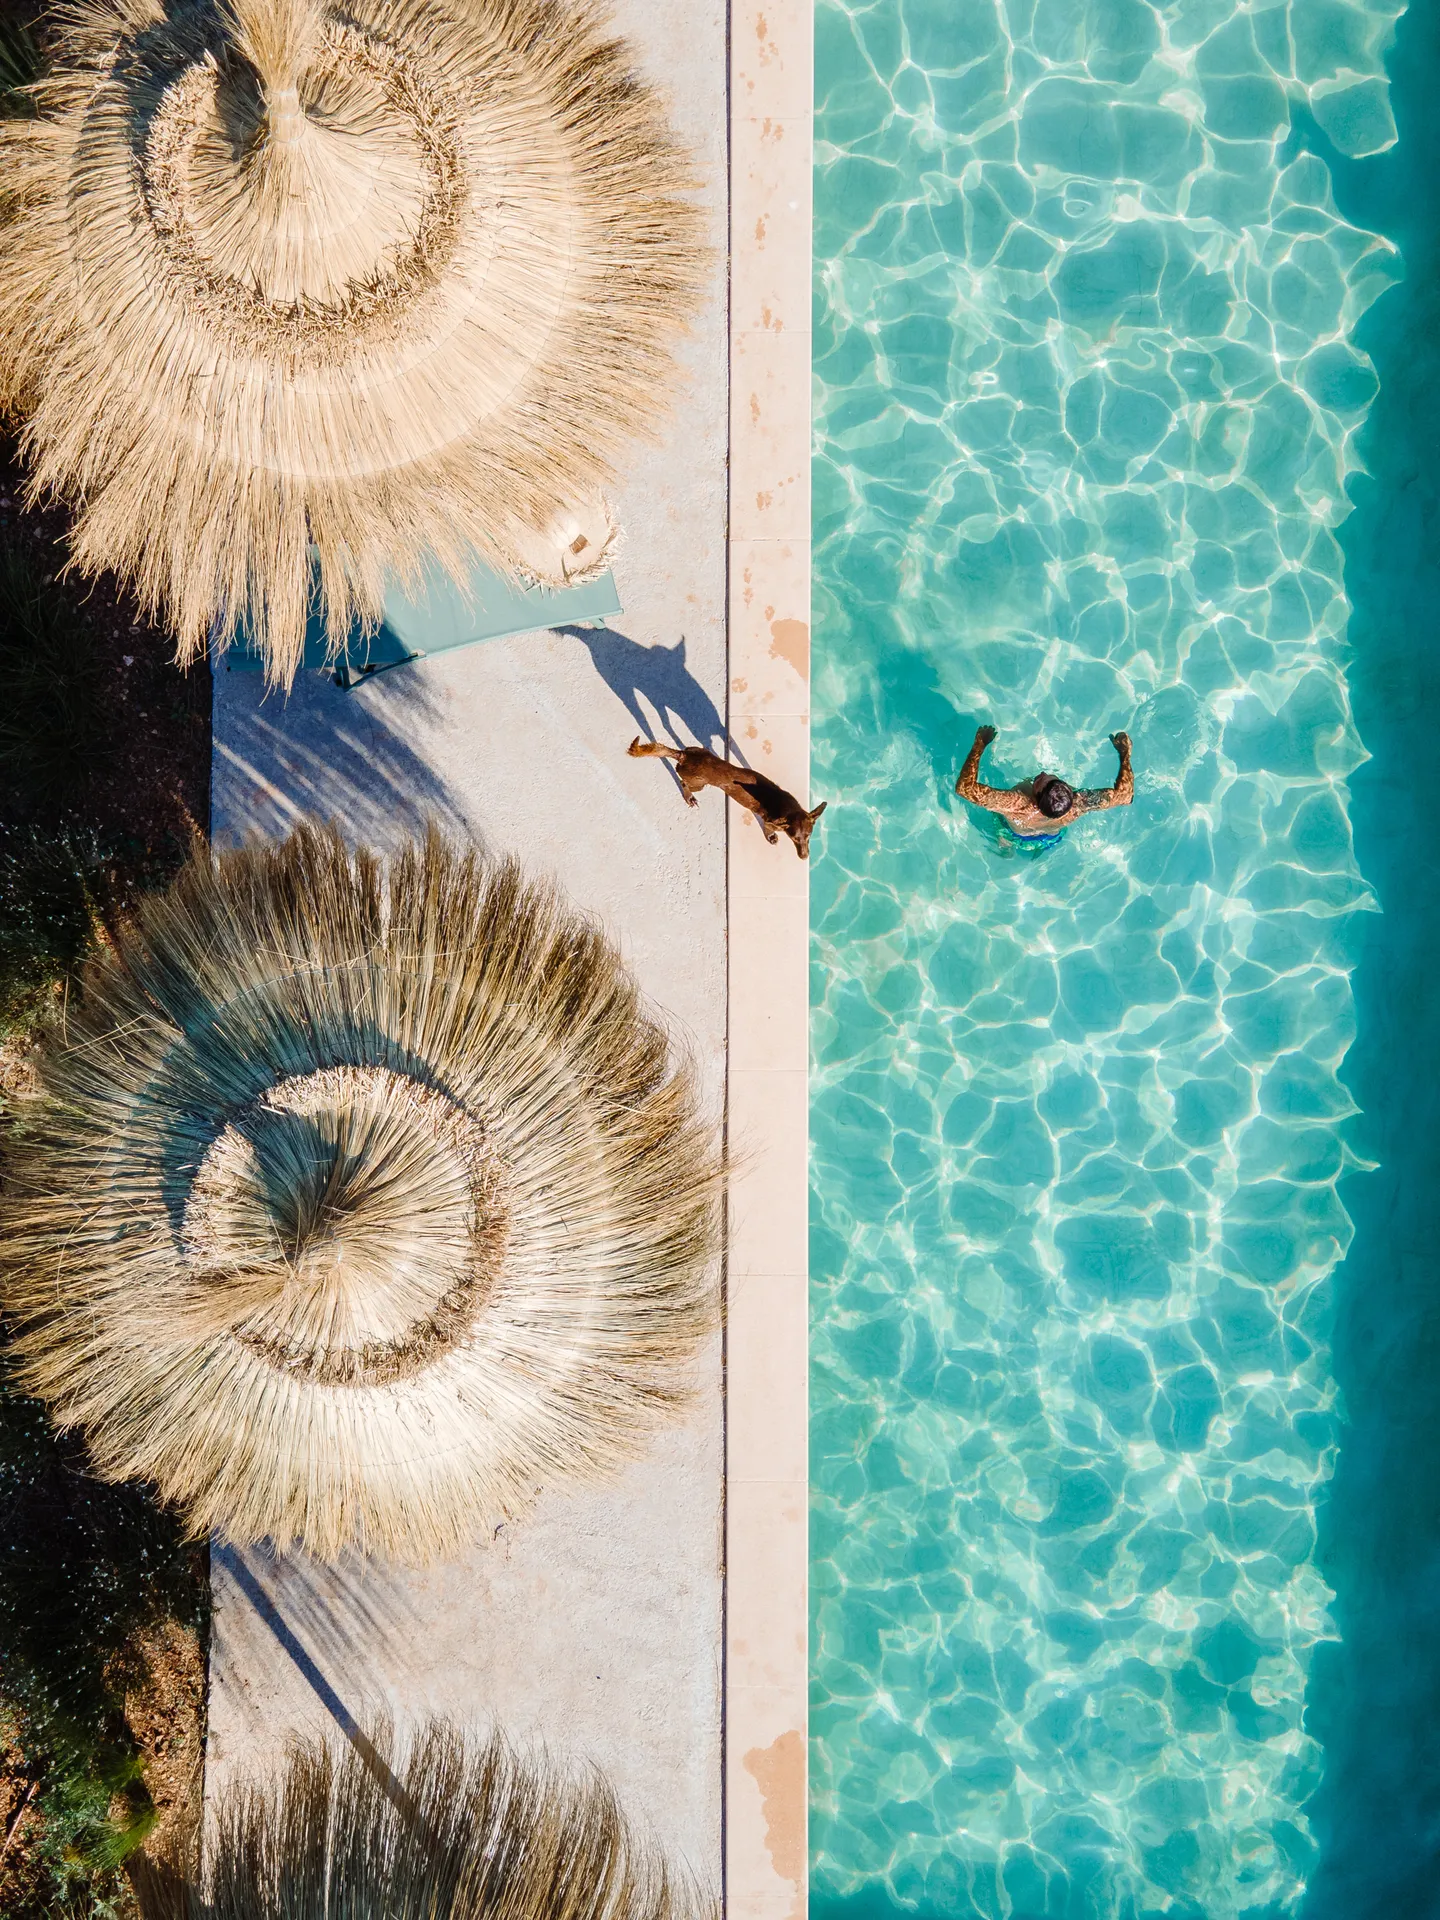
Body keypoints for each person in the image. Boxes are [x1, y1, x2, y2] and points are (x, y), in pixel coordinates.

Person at [955, 725, 1132, 843]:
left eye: (1039, 781)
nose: (1042, 773)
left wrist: (979, 745)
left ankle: (1005, 848)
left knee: (1003, 837)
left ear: (1035, 798)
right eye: (1049, 777)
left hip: (1015, 835)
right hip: (1050, 839)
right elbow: (1125, 796)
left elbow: (964, 788)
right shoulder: (1080, 803)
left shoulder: (1017, 803)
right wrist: (1125, 754)